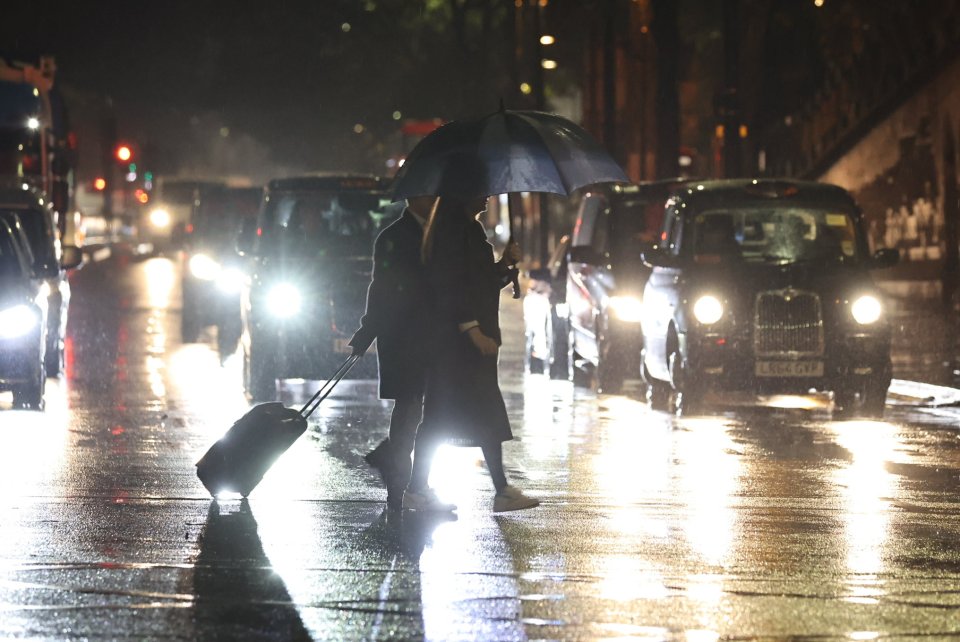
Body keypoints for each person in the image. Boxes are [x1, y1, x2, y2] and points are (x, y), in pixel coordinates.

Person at [403, 195, 539, 513]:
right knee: (449, 417)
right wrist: (472, 329)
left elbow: (479, 282)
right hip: (455, 345)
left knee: (468, 415)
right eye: (482, 187)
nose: (488, 195)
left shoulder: (471, 228)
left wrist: (505, 265)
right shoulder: (452, 229)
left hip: (467, 345)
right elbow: (449, 284)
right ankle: (425, 489)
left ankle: (493, 489)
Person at [349, 195, 438, 510]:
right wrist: (367, 330)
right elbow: (382, 288)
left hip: (426, 336)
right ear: (415, 198)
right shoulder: (396, 237)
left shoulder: (435, 233)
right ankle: (403, 484)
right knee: (412, 408)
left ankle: (404, 479)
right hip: (405, 338)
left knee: (418, 411)